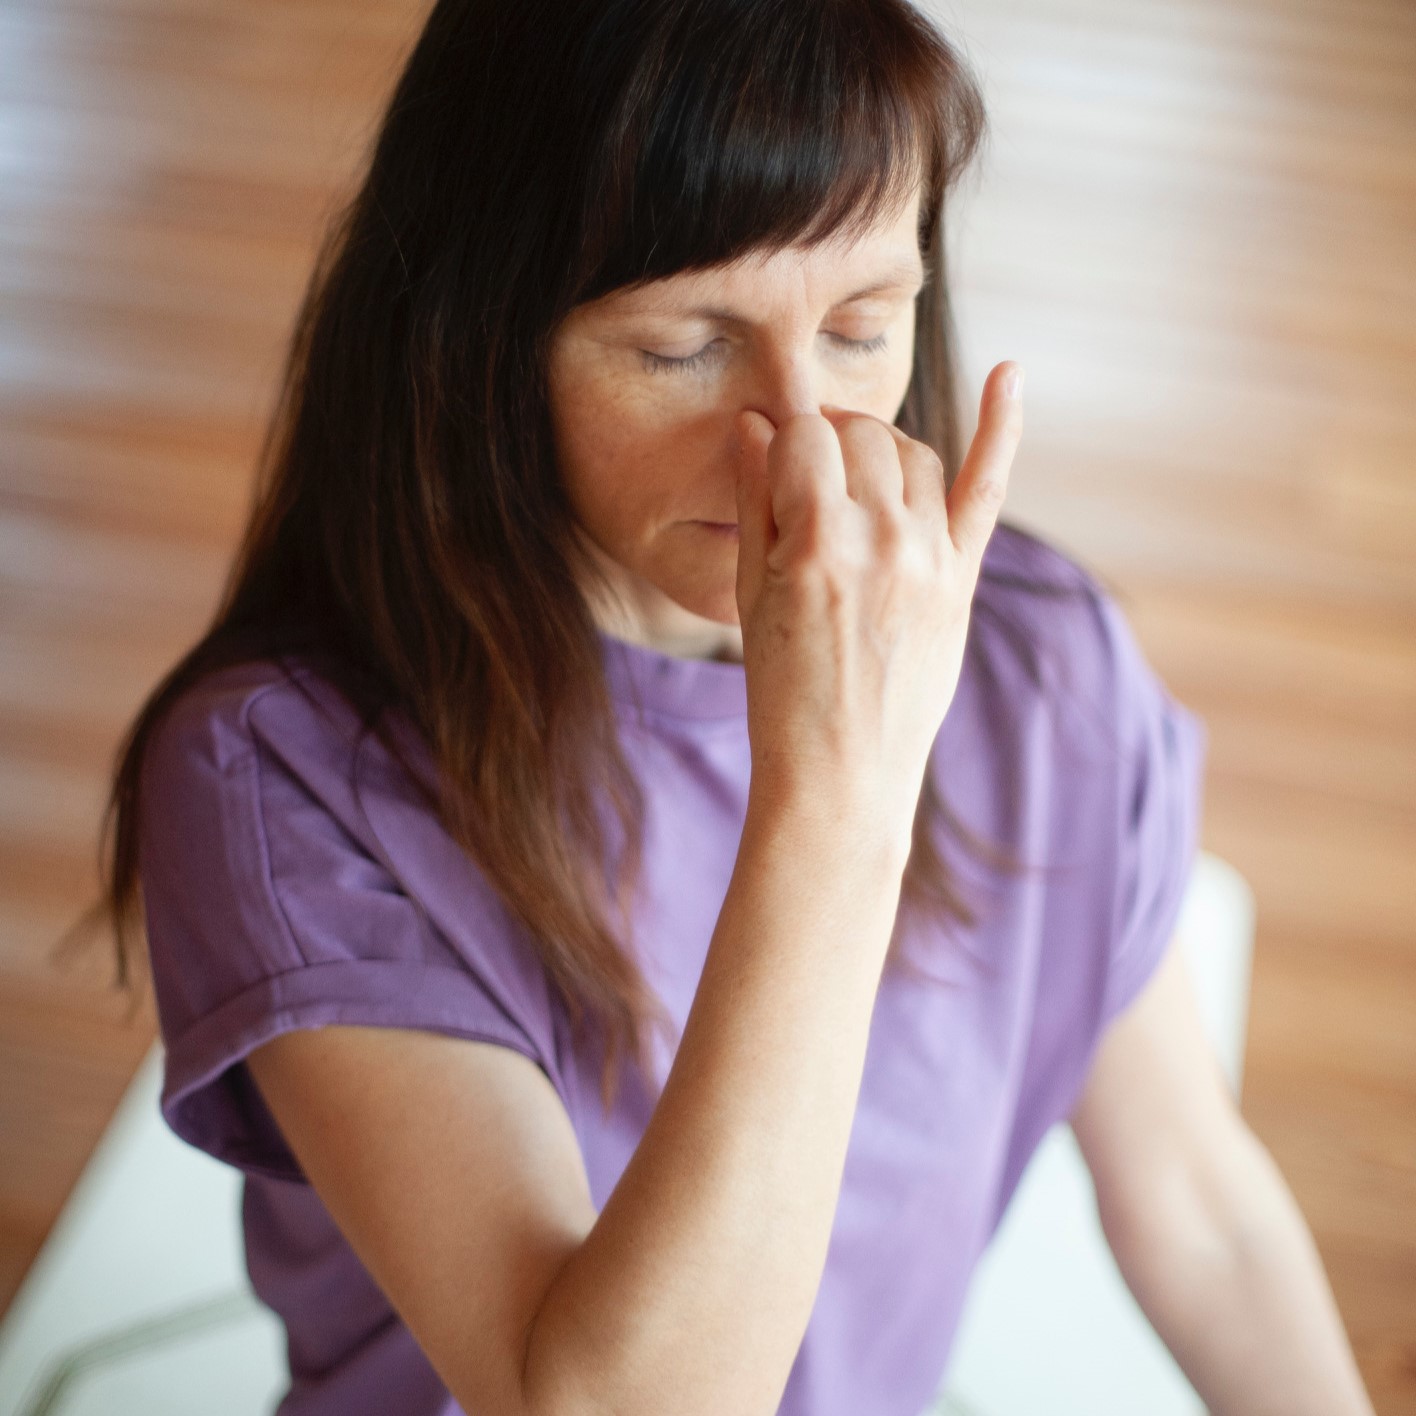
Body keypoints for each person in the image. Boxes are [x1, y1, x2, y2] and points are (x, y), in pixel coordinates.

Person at [72, 1, 1375, 1413]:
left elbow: (1199, 1208)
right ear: (479, 343)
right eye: (683, 350)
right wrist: (838, 790)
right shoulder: (282, 777)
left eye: (865, 326)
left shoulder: (1038, 667)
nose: (799, 439)